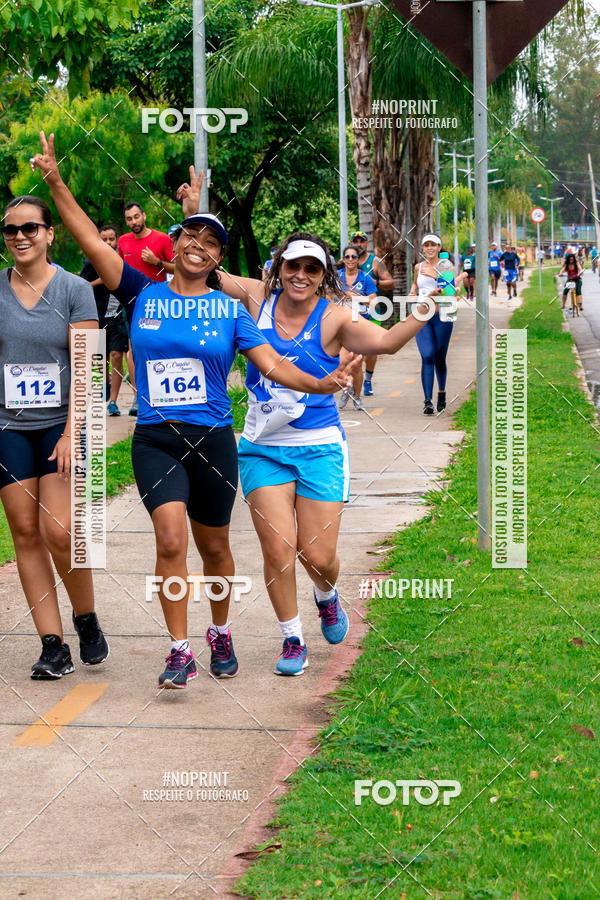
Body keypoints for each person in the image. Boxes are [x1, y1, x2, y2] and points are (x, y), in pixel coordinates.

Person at [34, 136, 358, 690]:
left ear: (216, 258)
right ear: (178, 243)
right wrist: (57, 183)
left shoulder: (230, 310)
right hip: (156, 439)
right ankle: (179, 650)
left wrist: (321, 382)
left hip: (212, 440)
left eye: (212, 242)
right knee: (170, 541)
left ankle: (220, 631)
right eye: (191, 236)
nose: (199, 246)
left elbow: (276, 366)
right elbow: (91, 240)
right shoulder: (141, 292)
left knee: (215, 547)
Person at [176, 169, 439, 676]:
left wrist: (425, 310)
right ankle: (291, 638)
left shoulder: (336, 317)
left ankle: (326, 593)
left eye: (312, 270)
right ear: (279, 268)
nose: (301, 275)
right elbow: (206, 267)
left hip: (319, 447)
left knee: (317, 556)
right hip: (261, 446)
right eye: (293, 265)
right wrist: (194, 215)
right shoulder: (256, 298)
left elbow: (383, 342)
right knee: (279, 548)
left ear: (324, 277)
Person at [0, 194, 109, 679]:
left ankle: (85, 618)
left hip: (63, 424)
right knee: (24, 532)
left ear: (49, 234)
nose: (20, 236)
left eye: (29, 228)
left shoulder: (73, 290)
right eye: (10, 230)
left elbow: (88, 366)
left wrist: (72, 431)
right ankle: (53, 644)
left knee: (60, 532)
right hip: (9, 426)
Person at [409, 234, 467, 416]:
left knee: (440, 358)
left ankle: (441, 393)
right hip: (422, 313)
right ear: (423, 248)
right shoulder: (418, 267)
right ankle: (428, 401)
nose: (430, 248)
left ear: (439, 247)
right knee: (427, 355)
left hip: (444, 313)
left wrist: (454, 289)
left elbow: (452, 289)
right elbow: (415, 288)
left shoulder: (447, 266)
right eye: (426, 245)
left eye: (433, 245)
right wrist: (412, 294)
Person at [80, 225, 130, 416]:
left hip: (118, 316)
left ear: (116, 240)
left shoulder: (121, 260)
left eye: (112, 239)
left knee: (117, 355)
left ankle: (113, 401)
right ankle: (102, 393)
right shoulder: (91, 261)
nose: (109, 243)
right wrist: (101, 280)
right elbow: (82, 286)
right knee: (101, 360)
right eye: (104, 239)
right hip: (98, 317)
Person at [350, 230, 394, 397]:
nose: (358, 244)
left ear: (366, 244)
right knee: (352, 352)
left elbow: (390, 282)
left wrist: (375, 282)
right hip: (352, 313)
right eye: (356, 241)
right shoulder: (347, 261)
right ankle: (353, 382)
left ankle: (367, 379)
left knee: (371, 350)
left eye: (362, 241)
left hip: (373, 310)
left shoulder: (374, 262)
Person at [336, 245, 377, 411]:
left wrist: (357, 297)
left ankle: (357, 396)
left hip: (360, 324)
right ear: (343, 259)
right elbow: (328, 296)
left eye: (354, 257)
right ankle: (347, 387)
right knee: (343, 362)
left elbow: (374, 302)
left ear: (358, 260)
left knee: (357, 364)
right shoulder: (336, 278)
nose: (351, 260)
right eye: (347, 257)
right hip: (341, 325)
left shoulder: (365, 278)